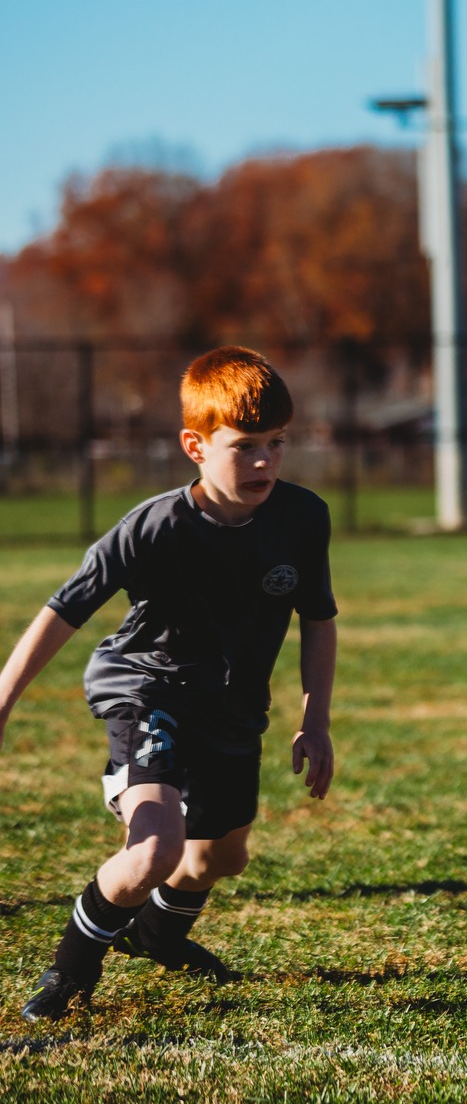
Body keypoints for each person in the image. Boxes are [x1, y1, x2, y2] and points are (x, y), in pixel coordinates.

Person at [0, 347, 338, 1021]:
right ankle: (70, 971)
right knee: (156, 845)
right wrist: (2, 699)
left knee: (221, 858)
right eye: (245, 447)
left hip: (234, 706)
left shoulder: (302, 517)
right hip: (147, 691)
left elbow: (319, 619)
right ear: (196, 445)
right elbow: (64, 608)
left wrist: (316, 718)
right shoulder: (154, 527)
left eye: (277, 444)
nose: (266, 461)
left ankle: (155, 932)